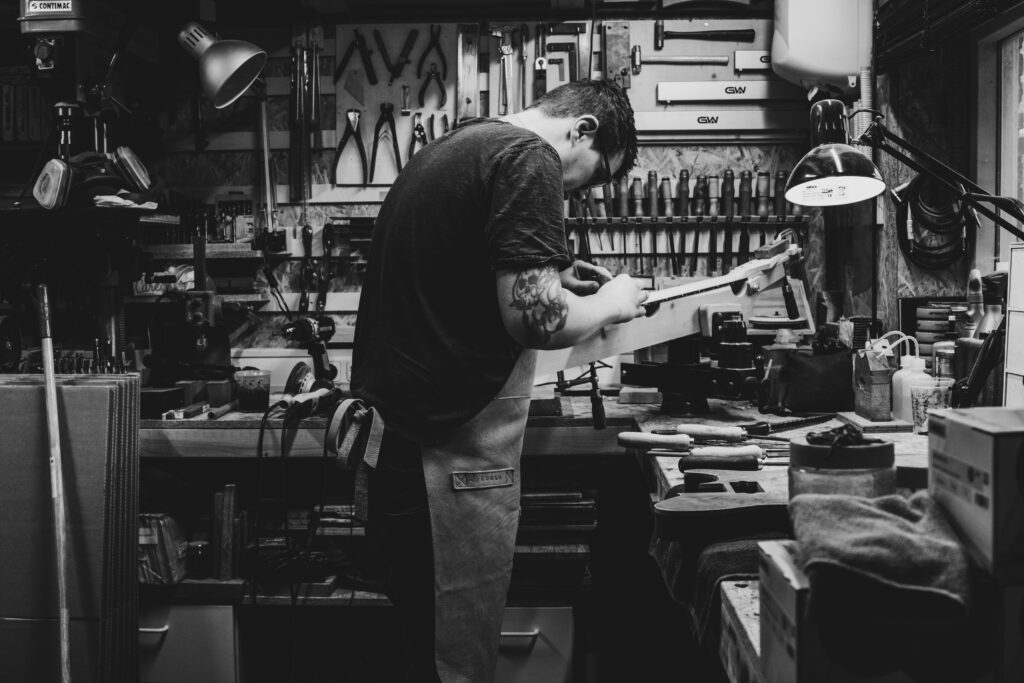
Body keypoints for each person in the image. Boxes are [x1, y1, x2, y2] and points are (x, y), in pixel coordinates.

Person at [351, 79, 648, 682]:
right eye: (592, 176)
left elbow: (468, 282)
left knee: (421, 651)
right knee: (450, 665)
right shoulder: (529, 157)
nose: (583, 192)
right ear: (582, 129)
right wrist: (614, 302)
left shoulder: (463, 144)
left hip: (400, 453)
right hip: (440, 459)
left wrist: (555, 272)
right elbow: (537, 318)